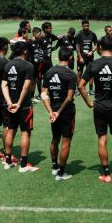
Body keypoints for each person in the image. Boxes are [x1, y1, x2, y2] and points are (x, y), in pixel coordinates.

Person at [78, 35, 112, 183]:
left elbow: (81, 85)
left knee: (102, 139)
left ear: (100, 48)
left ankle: (106, 174)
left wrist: (90, 103)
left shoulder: (93, 65)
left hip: (100, 107)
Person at [1, 41, 38, 172]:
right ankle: (23, 164)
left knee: (10, 130)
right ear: (25, 51)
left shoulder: (8, 64)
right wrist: (18, 103)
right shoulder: (28, 66)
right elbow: (26, 86)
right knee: (25, 133)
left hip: (10, 105)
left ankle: (8, 161)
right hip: (24, 106)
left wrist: (10, 102)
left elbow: (3, 85)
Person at [41, 47, 77, 181]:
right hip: (66, 112)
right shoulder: (71, 74)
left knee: (55, 139)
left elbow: (44, 94)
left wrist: (51, 112)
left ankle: (54, 166)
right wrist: (58, 112)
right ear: (70, 58)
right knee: (66, 142)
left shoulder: (49, 71)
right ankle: (61, 173)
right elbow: (69, 97)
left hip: (53, 111)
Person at [75, 21, 98, 94]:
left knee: (91, 73)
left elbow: (96, 44)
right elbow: (77, 46)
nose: (86, 27)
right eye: (85, 26)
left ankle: (91, 90)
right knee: (79, 73)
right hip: (81, 57)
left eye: (87, 26)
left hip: (90, 57)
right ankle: (78, 90)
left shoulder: (92, 34)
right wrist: (80, 57)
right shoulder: (79, 34)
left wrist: (92, 51)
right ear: (82, 26)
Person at [29, 27, 43, 102]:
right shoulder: (30, 42)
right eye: (39, 34)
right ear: (34, 33)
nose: (40, 35)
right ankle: (28, 97)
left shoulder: (38, 41)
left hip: (37, 64)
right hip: (31, 65)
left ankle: (32, 97)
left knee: (35, 80)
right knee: (30, 81)